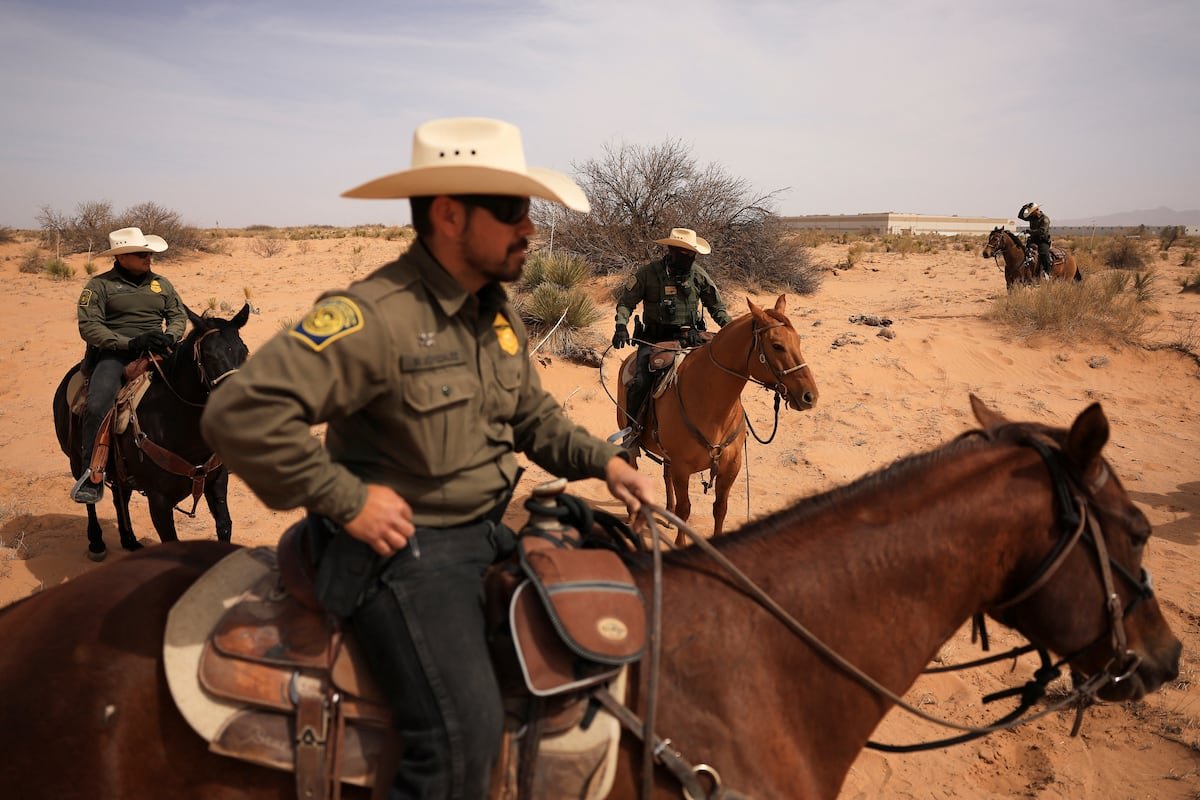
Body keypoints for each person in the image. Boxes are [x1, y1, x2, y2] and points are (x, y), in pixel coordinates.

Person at [200, 116, 657, 800]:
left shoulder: (494, 314)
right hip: (402, 556)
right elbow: (240, 413)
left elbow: (531, 415)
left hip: (485, 529)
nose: (529, 229)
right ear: (449, 214)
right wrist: (346, 500)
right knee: (458, 742)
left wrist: (605, 462)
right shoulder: (374, 316)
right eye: (511, 211)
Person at [71, 227, 184, 503]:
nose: (148, 258)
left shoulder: (162, 284)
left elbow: (178, 315)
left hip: (159, 349)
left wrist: (170, 336)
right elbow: (90, 327)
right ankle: (92, 473)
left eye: (149, 253)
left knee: (200, 383)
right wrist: (128, 343)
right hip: (116, 355)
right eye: (141, 254)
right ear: (121, 258)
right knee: (98, 404)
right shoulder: (99, 286)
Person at [610, 227, 733, 437]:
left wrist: (731, 329)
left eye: (691, 255)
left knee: (723, 373)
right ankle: (633, 432)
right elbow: (626, 303)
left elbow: (717, 307)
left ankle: (730, 429)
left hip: (692, 339)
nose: (688, 259)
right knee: (640, 381)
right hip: (655, 340)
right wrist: (621, 326)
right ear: (670, 250)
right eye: (683, 254)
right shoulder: (647, 274)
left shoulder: (698, 275)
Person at [1018, 202, 1053, 278]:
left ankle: (1048, 273)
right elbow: (1020, 216)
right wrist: (1024, 208)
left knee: (1043, 254)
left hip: (1043, 241)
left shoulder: (1045, 219)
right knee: (1024, 252)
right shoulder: (1032, 217)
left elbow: (1042, 231)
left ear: (1037, 210)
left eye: (1032, 212)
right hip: (1033, 239)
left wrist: (1029, 231)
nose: (1031, 214)